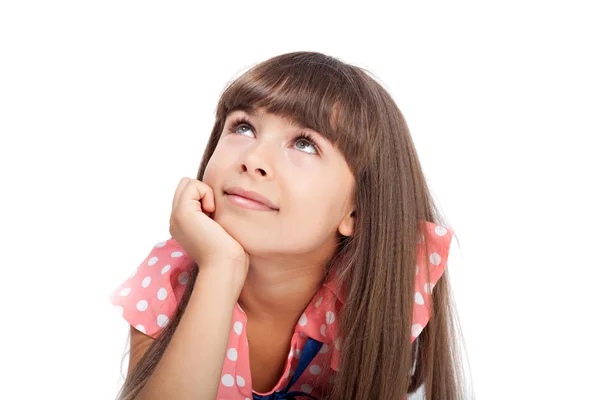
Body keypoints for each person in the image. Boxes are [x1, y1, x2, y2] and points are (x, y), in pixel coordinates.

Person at [109, 51, 468, 400]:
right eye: (244, 127)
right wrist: (220, 268)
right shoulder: (169, 282)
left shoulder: (374, 290)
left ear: (355, 213)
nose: (253, 160)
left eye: (304, 144)